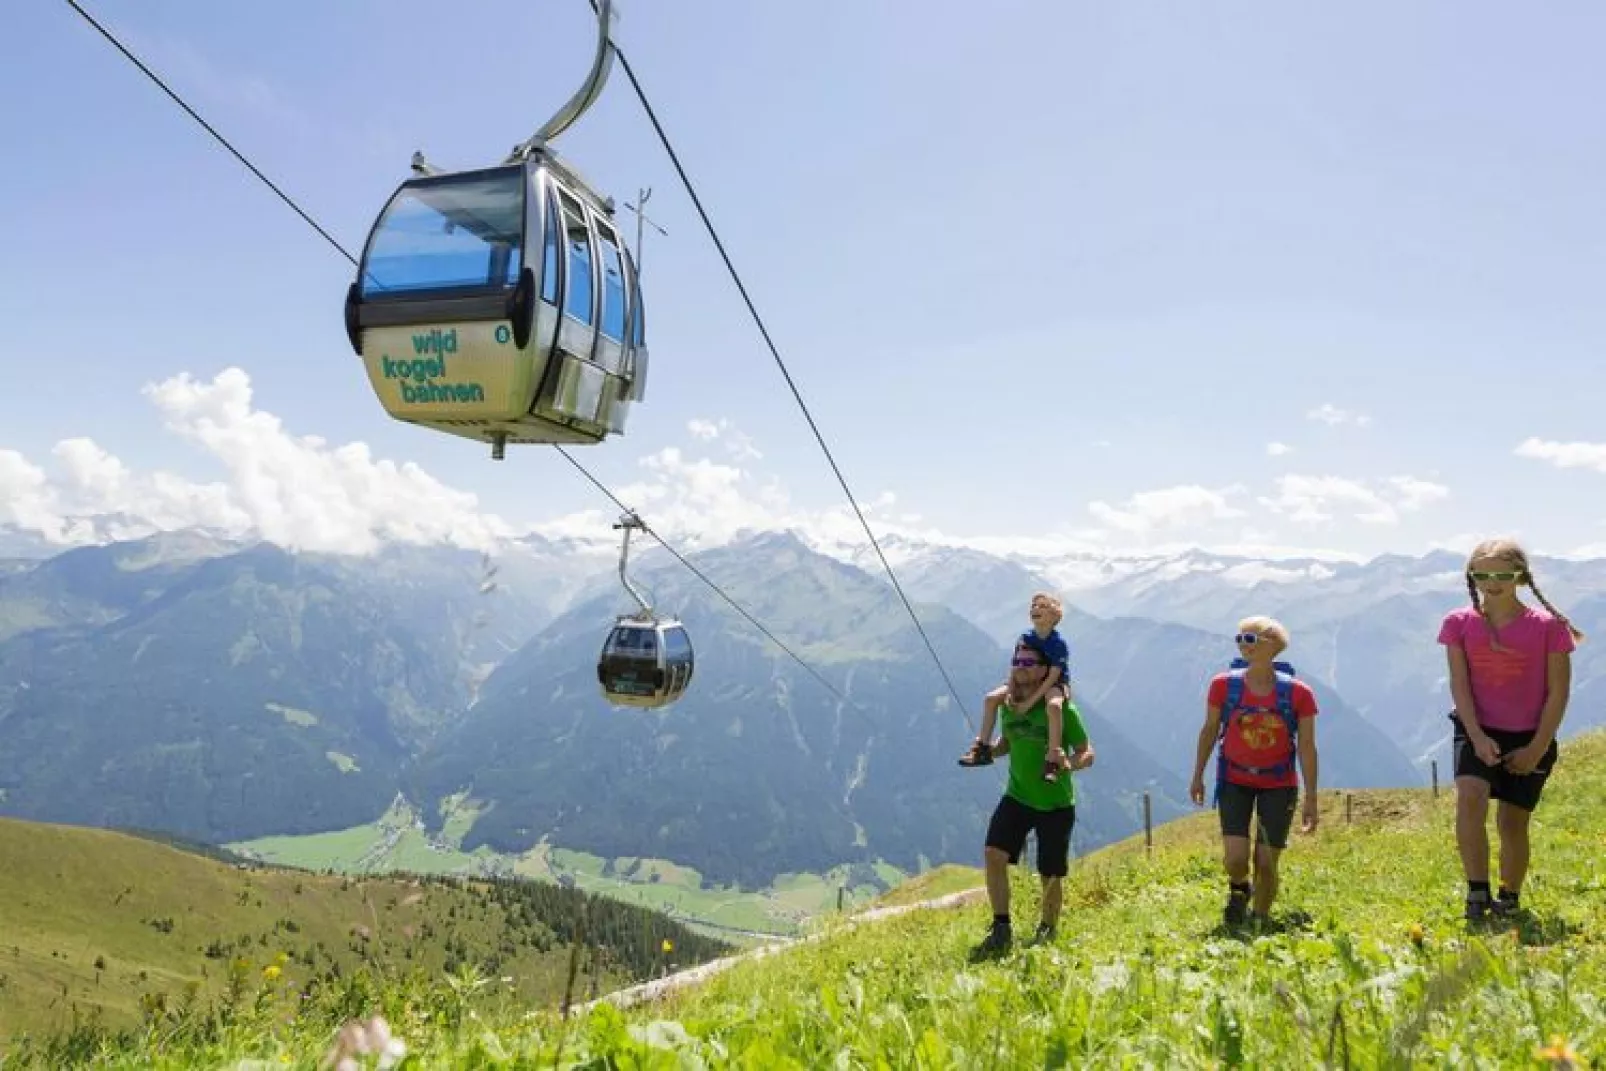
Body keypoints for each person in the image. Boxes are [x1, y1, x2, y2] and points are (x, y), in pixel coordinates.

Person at [1439, 537, 1584, 922]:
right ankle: (1476, 892)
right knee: (1470, 795)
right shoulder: (1457, 624)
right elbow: (1459, 685)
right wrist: (1476, 736)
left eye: (1502, 573)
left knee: (1511, 821)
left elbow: (1558, 692)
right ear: (1471, 576)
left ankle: (1509, 897)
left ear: (1520, 576)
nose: (1492, 582)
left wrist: (1537, 747)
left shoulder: (1549, 627)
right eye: (1482, 573)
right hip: (1475, 726)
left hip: (1528, 735)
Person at [960, 640, 1095, 957]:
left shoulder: (1062, 710)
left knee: (1049, 873)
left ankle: (1047, 931)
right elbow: (1008, 742)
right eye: (1017, 662)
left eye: (1029, 663)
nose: (1022, 668)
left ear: (1046, 670)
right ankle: (1001, 926)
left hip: (1055, 804)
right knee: (994, 854)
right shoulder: (1008, 704)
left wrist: (1068, 765)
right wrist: (989, 752)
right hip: (1017, 796)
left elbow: (1087, 753)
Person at [1189, 616, 1320, 927]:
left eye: (1250, 639)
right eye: (1239, 638)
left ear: (1272, 645)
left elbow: (1307, 746)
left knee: (1266, 863)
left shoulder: (1299, 694)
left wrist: (1311, 797)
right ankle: (1239, 889)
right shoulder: (1223, 686)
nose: (1242, 645)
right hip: (1234, 779)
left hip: (1279, 783)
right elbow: (1209, 730)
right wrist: (1198, 774)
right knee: (1235, 859)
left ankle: (1258, 921)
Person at [960, 593, 1072, 782]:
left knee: (1053, 706)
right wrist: (1011, 690)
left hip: (1055, 683)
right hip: (1026, 679)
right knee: (991, 699)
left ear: (1054, 616)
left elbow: (1052, 677)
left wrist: (1029, 703)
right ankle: (982, 748)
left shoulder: (1058, 644)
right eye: (1033, 606)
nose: (1035, 608)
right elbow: (1016, 666)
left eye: (1042, 606)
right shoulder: (1026, 637)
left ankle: (1052, 759)